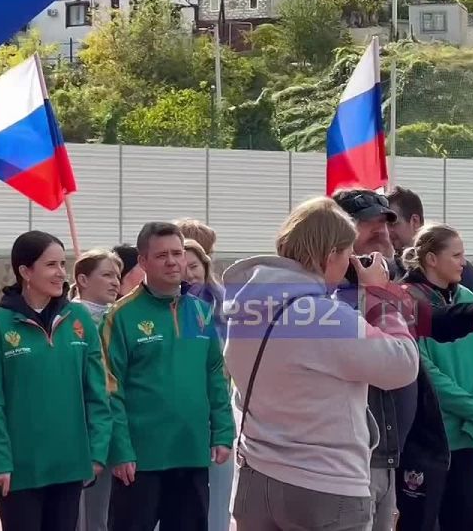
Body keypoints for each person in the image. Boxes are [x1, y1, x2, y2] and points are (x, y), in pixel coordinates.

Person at [223, 197, 420, 530]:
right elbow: (402, 364)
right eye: (346, 255)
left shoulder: (245, 307)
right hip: (325, 484)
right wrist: (379, 294)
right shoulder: (324, 317)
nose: (349, 264)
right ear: (331, 256)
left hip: (255, 476)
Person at [331, 188, 473, 531]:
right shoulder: (330, 299)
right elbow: (394, 361)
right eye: (369, 225)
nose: (383, 233)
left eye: (385, 224)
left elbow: (430, 319)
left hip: (398, 449)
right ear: (339, 235)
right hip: (351, 455)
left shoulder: (391, 287)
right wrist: (376, 292)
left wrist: (472, 312)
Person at [0, 231, 112, 531]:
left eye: (63, 264)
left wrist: (98, 450)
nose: (61, 273)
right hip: (21, 470)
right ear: (25, 271)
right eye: (51, 265)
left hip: (71, 466)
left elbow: (98, 391)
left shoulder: (78, 318)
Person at [103, 222, 234, 531]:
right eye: (162, 255)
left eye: (177, 253)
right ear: (143, 261)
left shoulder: (200, 312)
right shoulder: (120, 316)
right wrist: (120, 450)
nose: (173, 261)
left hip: (191, 455)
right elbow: (110, 388)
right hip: (140, 462)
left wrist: (223, 431)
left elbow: (215, 375)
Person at [397, 224, 473, 531]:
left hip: (471, 438)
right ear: (431, 259)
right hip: (428, 440)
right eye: (456, 255)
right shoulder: (405, 301)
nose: (463, 262)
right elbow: (423, 371)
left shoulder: (470, 297)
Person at [387, 185, 473, 343]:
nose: (386, 231)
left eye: (392, 223)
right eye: (381, 224)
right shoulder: (391, 275)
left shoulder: (463, 275)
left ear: (414, 221)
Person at [69, 249, 123, 531]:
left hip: (115, 433)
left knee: (101, 518)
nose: (116, 281)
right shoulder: (67, 322)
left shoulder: (120, 321)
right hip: (81, 434)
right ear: (82, 280)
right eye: (106, 275)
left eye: (117, 275)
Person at [181, 238, 231, 531]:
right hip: (182, 414)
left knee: (218, 497)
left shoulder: (226, 308)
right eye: (181, 267)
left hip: (218, 410)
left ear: (205, 266)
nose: (188, 273)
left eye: (194, 266)